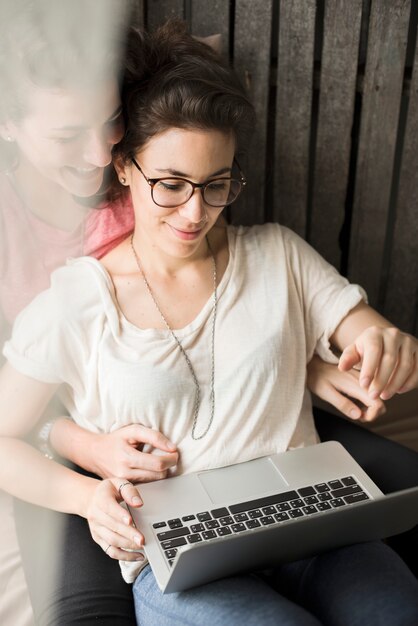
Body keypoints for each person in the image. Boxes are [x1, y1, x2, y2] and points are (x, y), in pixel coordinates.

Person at [1, 20, 417, 626]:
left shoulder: (274, 251)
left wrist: (370, 348)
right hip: (172, 539)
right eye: (170, 186)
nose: (196, 213)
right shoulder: (73, 296)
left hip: (305, 515)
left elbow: (360, 329)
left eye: (216, 185)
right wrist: (88, 477)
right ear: (129, 172)